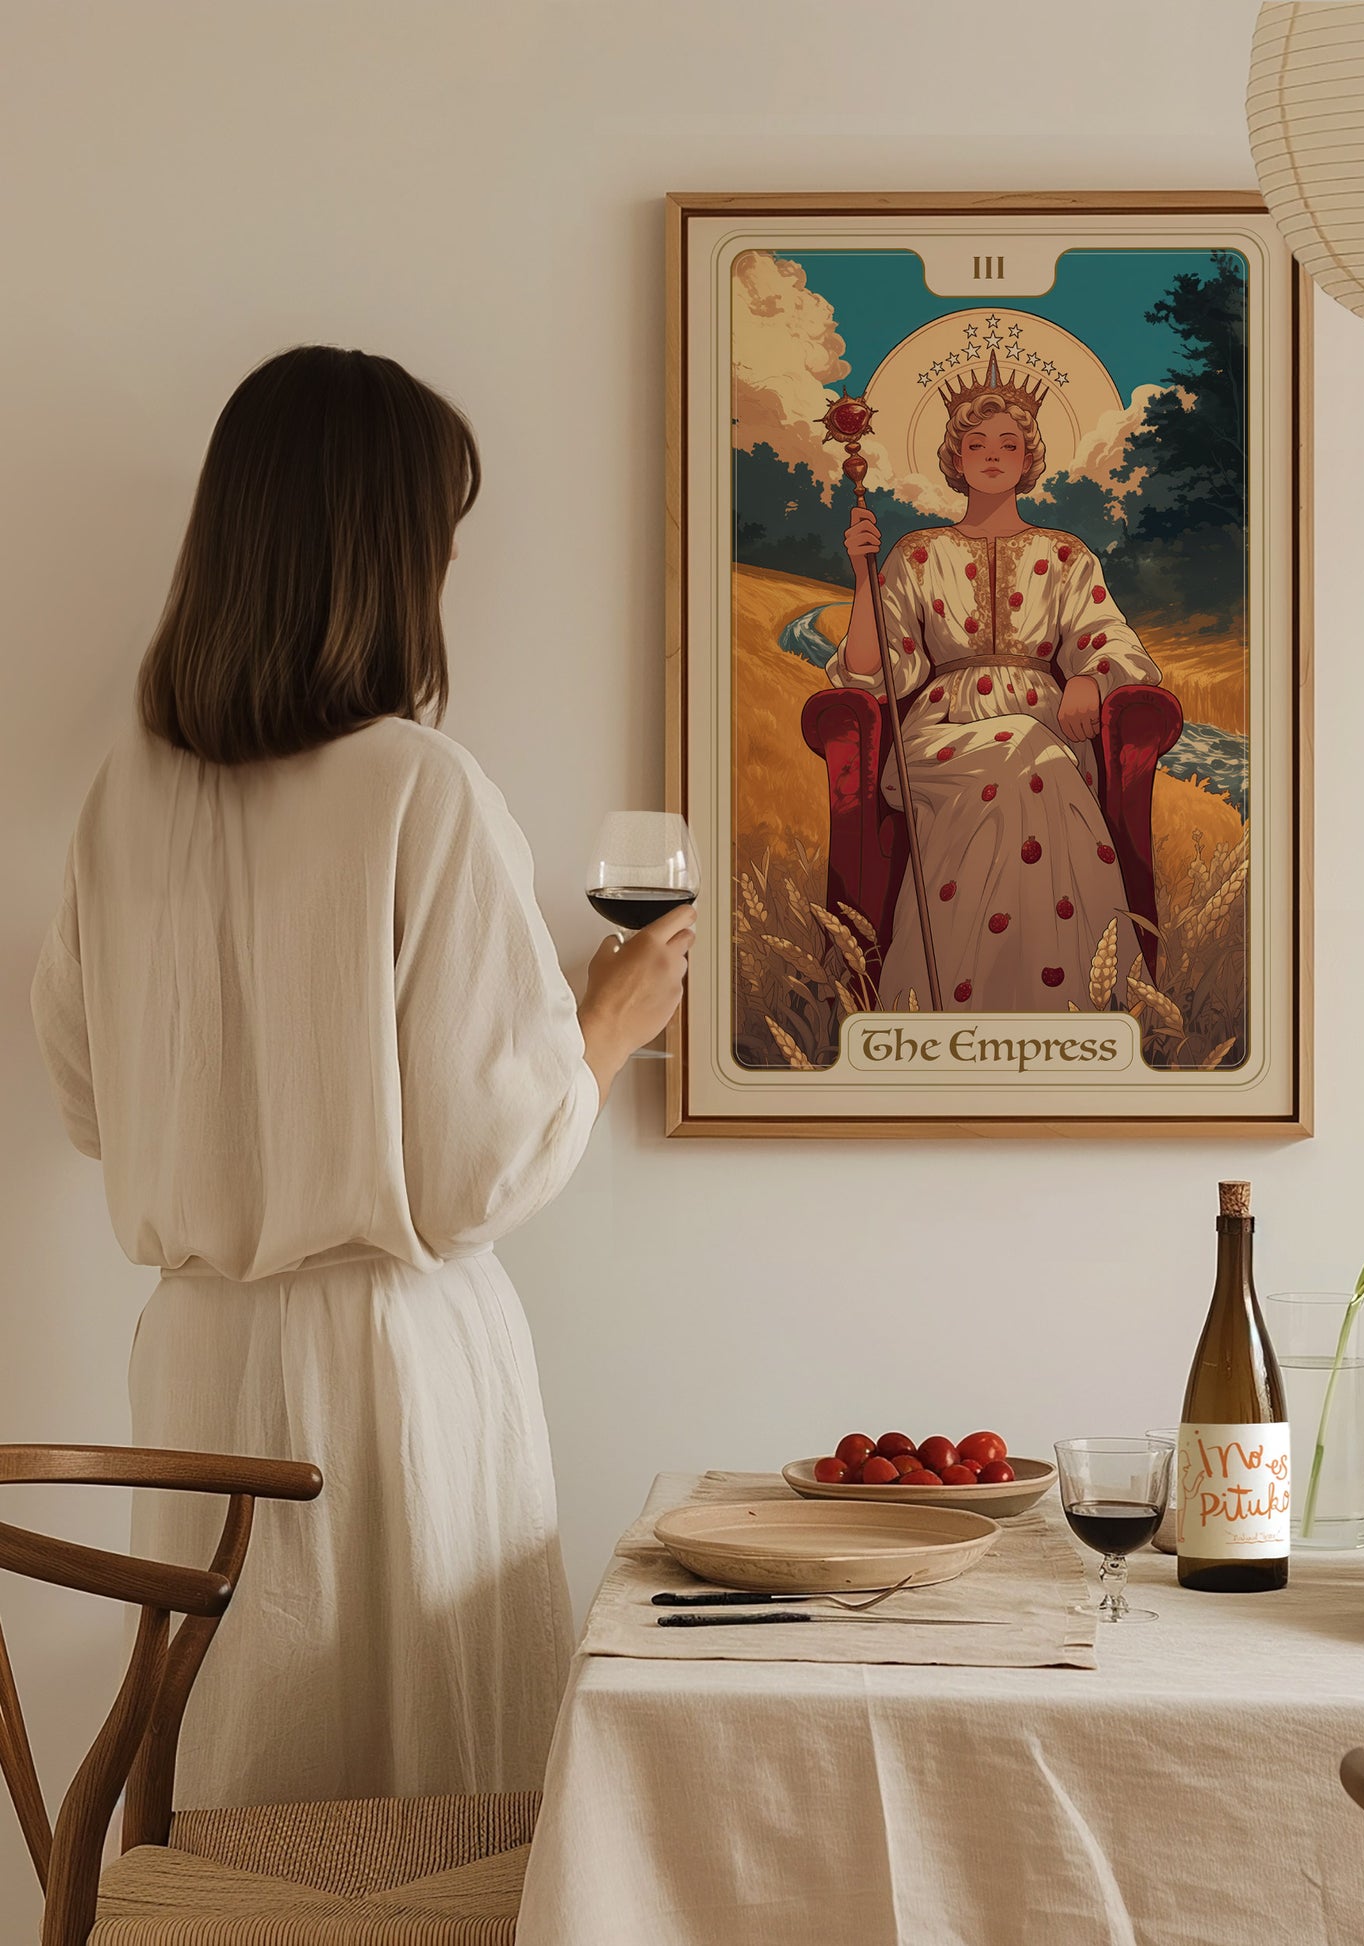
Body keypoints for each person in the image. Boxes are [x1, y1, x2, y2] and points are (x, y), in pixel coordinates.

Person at [29, 345, 691, 1806]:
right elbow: (474, 1174)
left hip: (196, 1364)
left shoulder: (125, 796)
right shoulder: (418, 785)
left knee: (237, 1789)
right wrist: (605, 1021)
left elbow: (87, 1099)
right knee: (427, 1813)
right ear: (388, 553)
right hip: (391, 1371)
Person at [834, 352, 1168, 1012]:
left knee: (1028, 754)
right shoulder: (918, 554)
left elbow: (1113, 641)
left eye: (1009, 443)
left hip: (1048, 734)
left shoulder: (1066, 555)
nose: (993, 454)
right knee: (1019, 748)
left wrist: (1091, 679)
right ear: (955, 459)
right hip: (940, 738)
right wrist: (863, 576)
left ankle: (1061, 1007)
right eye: (977, 443)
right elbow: (874, 673)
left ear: (1029, 459)